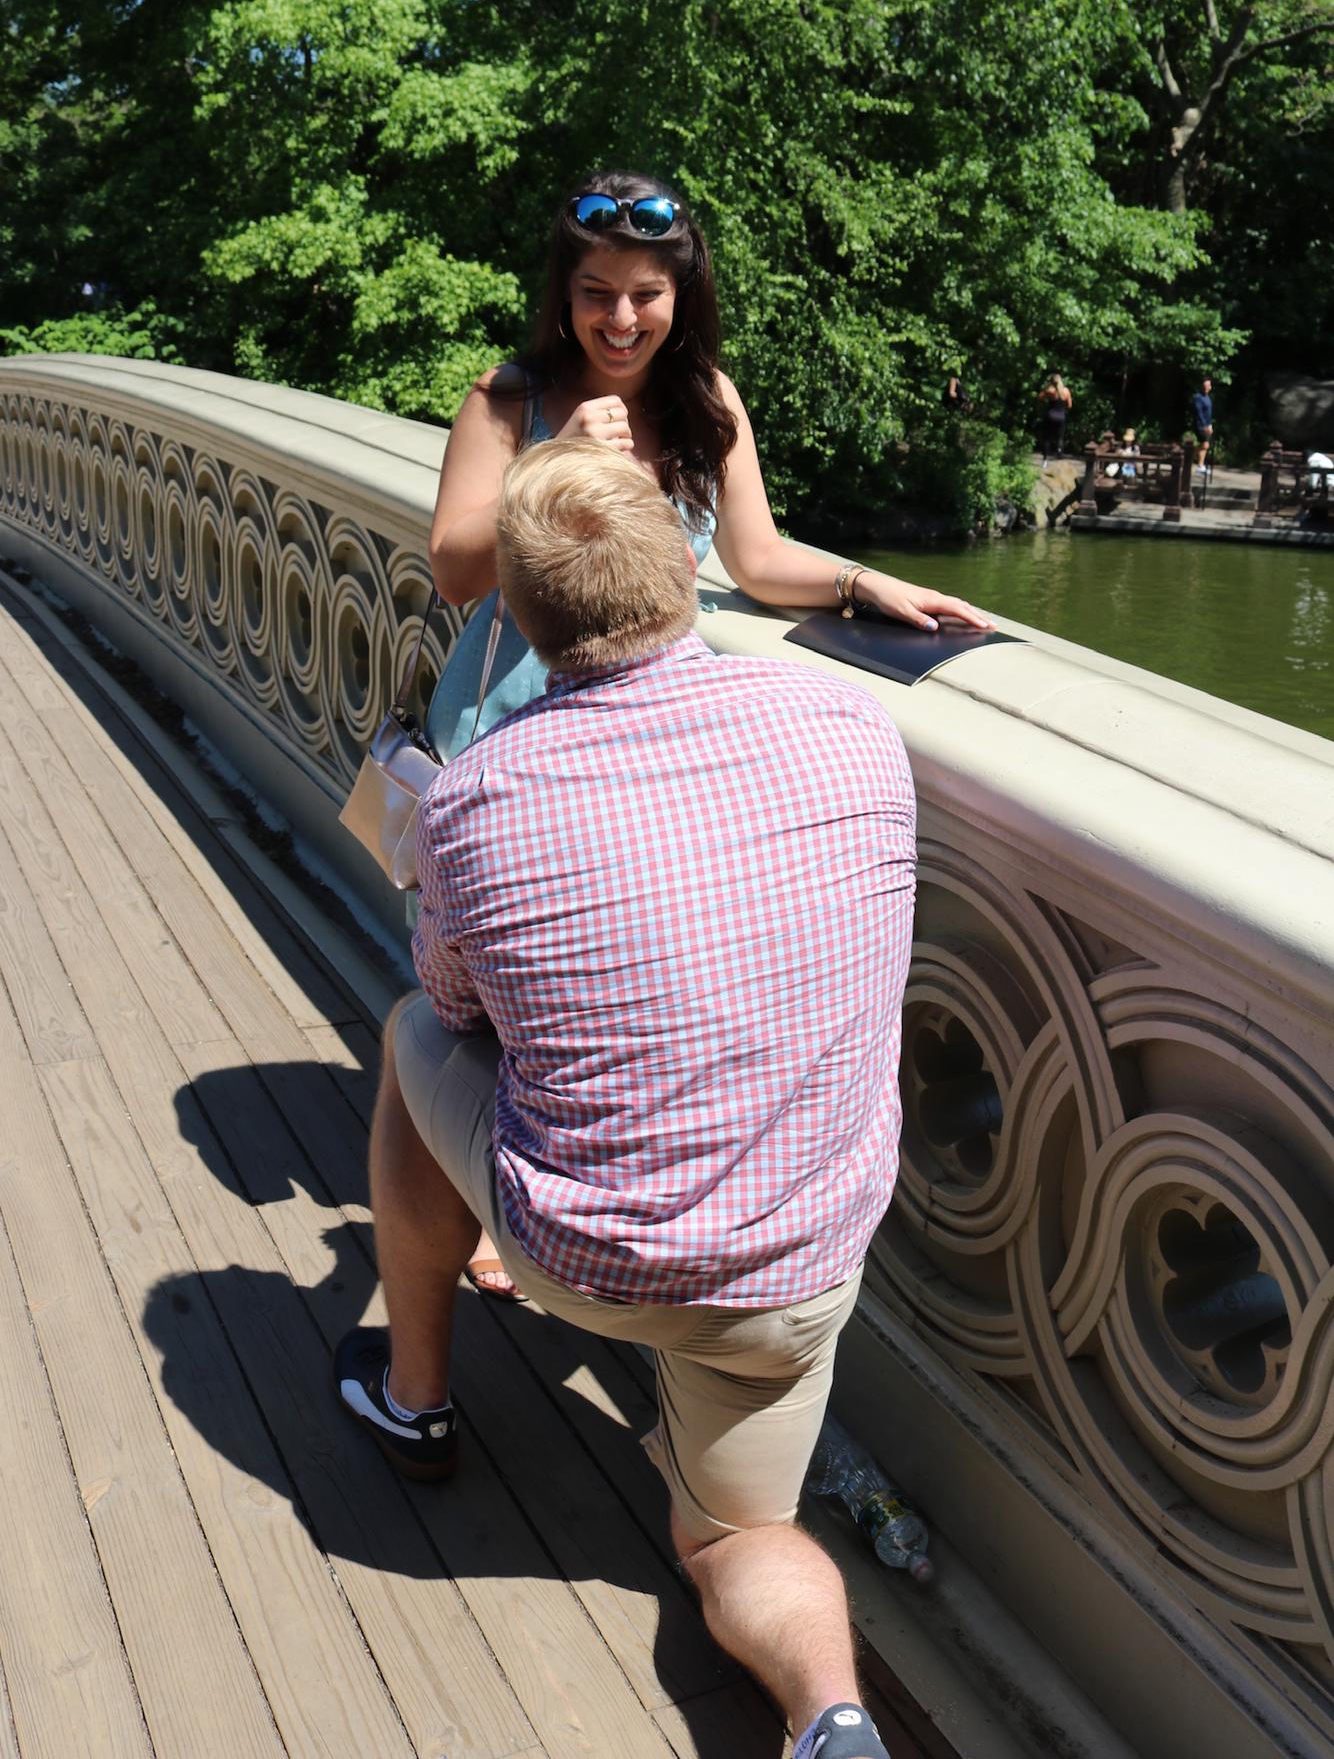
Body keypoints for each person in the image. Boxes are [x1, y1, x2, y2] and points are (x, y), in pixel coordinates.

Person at [336, 438, 919, 1759]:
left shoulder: (480, 797)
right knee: (738, 1542)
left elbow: (460, 1007)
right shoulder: (852, 728)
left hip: (593, 1262)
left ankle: (414, 1394)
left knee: (408, 1041)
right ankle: (830, 1720)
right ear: (684, 571)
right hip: (798, 1264)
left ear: (521, 619)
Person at [423, 172, 989, 1297]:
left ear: (682, 294)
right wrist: (553, 467)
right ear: (562, 291)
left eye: (645, 294)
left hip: (645, 731)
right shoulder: (505, 401)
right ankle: (479, 1188)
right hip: (512, 723)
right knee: (490, 973)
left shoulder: (706, 403)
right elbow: (452, 570)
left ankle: (544, 1157)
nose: (620, 319)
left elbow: (752, 559)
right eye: (595, 292)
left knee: (586, 963)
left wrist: (859, 581)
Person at [1037, 372, 1072, 465]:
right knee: (1060, 437)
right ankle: (1059, 452)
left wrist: (1046, 388)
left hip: (1050, 415)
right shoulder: (1066, 391)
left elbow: (1039, 397)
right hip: (1061, 416)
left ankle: (1045, 460)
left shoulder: (1050, 391)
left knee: (1047, 438)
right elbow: (1069, 405)